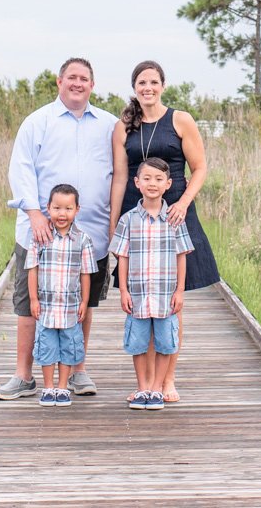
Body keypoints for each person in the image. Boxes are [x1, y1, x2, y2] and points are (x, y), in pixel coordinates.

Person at [0, 57, 117, 400]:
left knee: (83, 301)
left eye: (84, 79)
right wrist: (34, 214)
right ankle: (23, 375)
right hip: (41, 232)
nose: (78, 83)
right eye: (71, 78)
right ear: (59, 81)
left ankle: (78, 370)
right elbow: (21, 169)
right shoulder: (38, 122)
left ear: (92, 85)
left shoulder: (108, 124)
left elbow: (120, 173)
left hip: (89, 233)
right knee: (28, 303)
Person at [108, 59, 220, 403]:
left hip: (175, 212)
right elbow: (121, 177)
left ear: (163, 85)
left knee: (172, 304)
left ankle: (167, 380)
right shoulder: (123, 127)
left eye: (153, 82)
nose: (148, 88)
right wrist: (114, 224)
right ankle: (145, 384)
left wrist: (183, 202)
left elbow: (199, 168)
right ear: (134, 88)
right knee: (141, 301)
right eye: (142, 82)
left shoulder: (180, 120)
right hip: (136, 213)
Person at [109, 158, 193, 411]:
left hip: (166, 295)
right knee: (138, 342)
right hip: (138, 295)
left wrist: (179, 291)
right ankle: (143, 387)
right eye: (146, 178)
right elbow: (122, 256)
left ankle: (157, 388)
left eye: (158, 179)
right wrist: (123, 290)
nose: (152, 184)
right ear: (137, 183)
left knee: (166, 342)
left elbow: (181, 256)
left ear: (168, 184)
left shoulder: (174, 218)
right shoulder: (128, 220)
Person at [25, 184, 97, 407]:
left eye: (68, 208)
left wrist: (85, 301)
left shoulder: (83, 240)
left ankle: (63, 387)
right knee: (47, 347)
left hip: (70, 306)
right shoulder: (40, 237)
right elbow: (33, 269)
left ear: (77, 209)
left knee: (68, 346)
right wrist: (33, 299)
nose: (62, 214)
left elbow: (86, 274)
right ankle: (48, 387)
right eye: (56, 208)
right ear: (48, 208)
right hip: (46, 306)